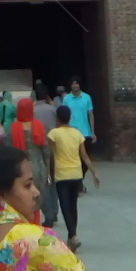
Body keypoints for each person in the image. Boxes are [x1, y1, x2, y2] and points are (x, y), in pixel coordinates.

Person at [48, 104, 100, 250]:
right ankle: (72, 237)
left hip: (62, 174)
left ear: (57, 118)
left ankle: (73, 236)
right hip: (76, 174)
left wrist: (49, 174)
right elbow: (84, 155)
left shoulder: (53, 134)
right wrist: (94, 172)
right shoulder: (77, 134)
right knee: (73, 206)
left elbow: (51, 156)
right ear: (70, 118)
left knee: (65, 206)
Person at [11, 96, 57, 229]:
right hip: (39, 167)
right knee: (38, 196)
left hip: (20, 169)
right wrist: (48, 170)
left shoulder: (14, 128)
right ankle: (39, 221)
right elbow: (46, 151)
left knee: (23, 198)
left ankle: (26, 225)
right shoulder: (38, 126)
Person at [63, 78, 95, 193]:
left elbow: (90, 115)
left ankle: (79, 181)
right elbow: (64, 115)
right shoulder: (66, 99)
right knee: (74, 159)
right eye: (73, 83)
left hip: (85, 132)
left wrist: (93, 132)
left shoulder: (87, 97)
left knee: (85, 160)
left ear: (80, 85)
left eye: (77, 83)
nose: (75, 85)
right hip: (71, 132)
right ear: (70, 86)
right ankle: (77, 184)